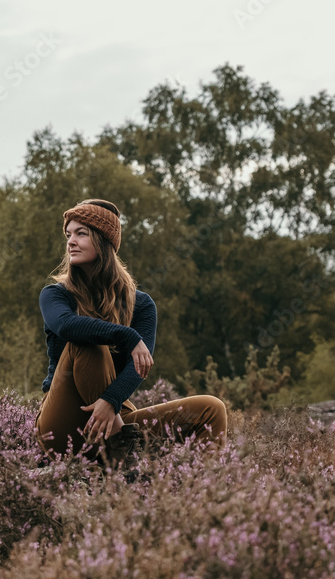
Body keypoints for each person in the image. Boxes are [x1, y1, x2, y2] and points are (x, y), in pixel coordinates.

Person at [34, 198, 228, 468]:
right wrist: (127, 336)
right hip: (63, 426)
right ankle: (125, 461)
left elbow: (139, 368)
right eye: (68, 234)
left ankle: (207, 487)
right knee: (88, 342)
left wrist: (111, 400)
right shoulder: (56, 294)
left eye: (81, 233)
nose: (70, 242)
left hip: (113, 415)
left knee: (211, 408)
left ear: (105, 241)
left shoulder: (141, 304)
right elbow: (66, 326)